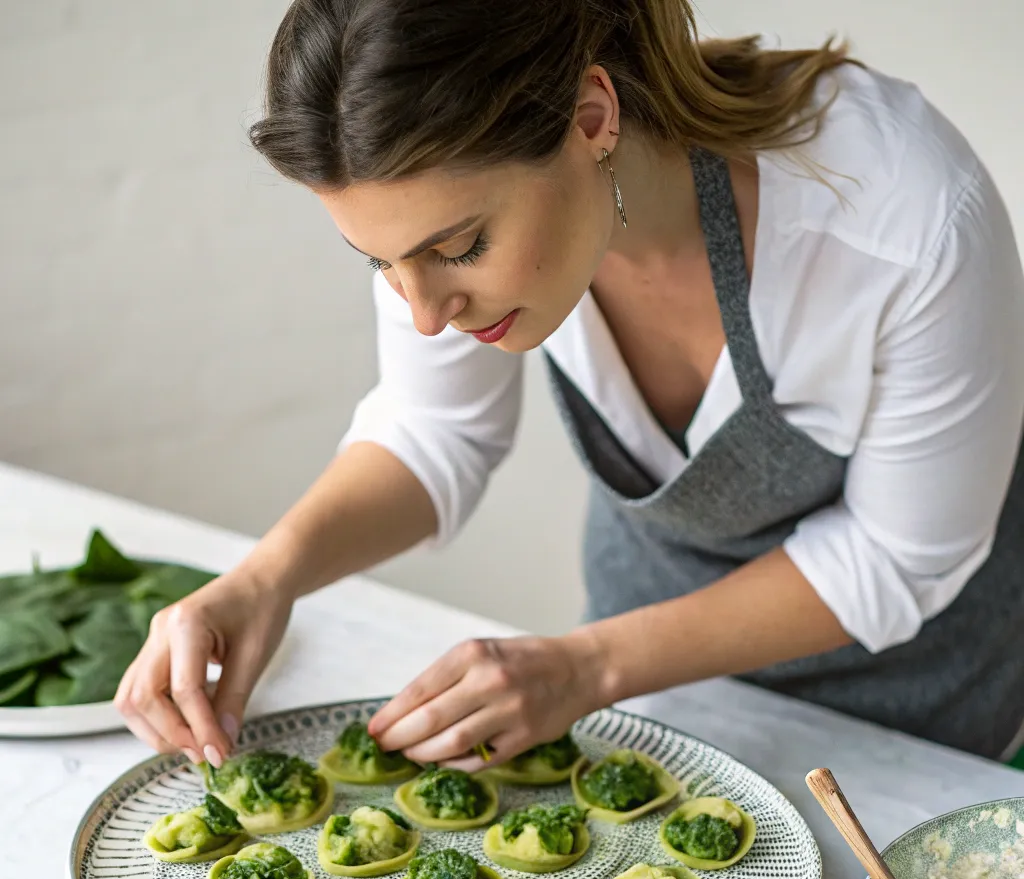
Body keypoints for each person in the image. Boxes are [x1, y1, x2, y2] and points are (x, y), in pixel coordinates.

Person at [114, 0, 1024, 770]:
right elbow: (434, 430)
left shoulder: (905, 218)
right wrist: (265, 581)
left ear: (592, 118)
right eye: (381, 263)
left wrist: (588, 665)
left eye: (459, 247)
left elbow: (898, 556)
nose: (425, 314)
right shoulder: (441, 230)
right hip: (646, 698)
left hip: (919, 720)